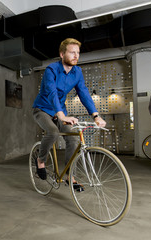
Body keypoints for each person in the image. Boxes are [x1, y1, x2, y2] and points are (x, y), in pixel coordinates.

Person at [32, 38, 106, 187]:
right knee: (53, 132)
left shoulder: (77, 72)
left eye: (78, 53)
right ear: (61, 54)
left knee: (73, 139)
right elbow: (51, 92)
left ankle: (69, 175)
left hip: (60, 111)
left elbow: (83, 93)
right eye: (72, 52)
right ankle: (40, 160)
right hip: (43, 109)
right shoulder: (51, 70)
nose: (76, 56)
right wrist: (61, 115)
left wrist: (96, 115)